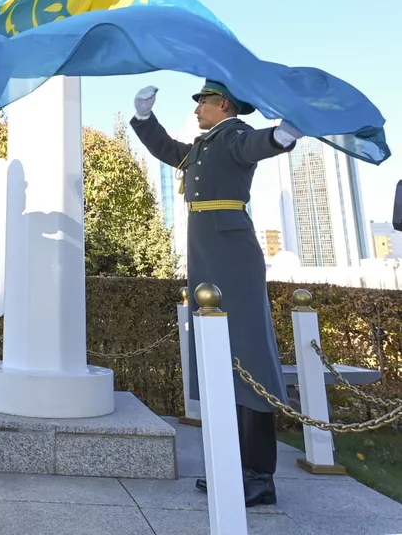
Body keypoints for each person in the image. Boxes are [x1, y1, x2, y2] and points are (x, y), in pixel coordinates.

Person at [130, 79, 302, 507]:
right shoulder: (204, 146)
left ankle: (259, 476)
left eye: (203, 102)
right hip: (206, 255)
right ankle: (229, 465)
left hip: (233, 257)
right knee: (219, 363)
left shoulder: (235, 135)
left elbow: (254, 147)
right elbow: (168, 150)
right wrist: (144, 118)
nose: (197, 110)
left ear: (223, 104)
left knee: (249, 362)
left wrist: (280, 137)